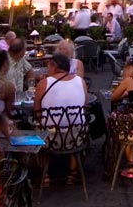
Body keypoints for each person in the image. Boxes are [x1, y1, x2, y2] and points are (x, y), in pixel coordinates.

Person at [32, 54, 87, 185]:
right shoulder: (81, 81)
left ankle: (45, 176)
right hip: (75, 137)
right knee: (76, 124)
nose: (47, 70)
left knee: (38, 127)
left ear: (55, 66)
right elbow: (84, 106)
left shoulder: (43, 83)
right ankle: (72, 174)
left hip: (50, 138)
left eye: (48, 66)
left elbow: (36, 111)